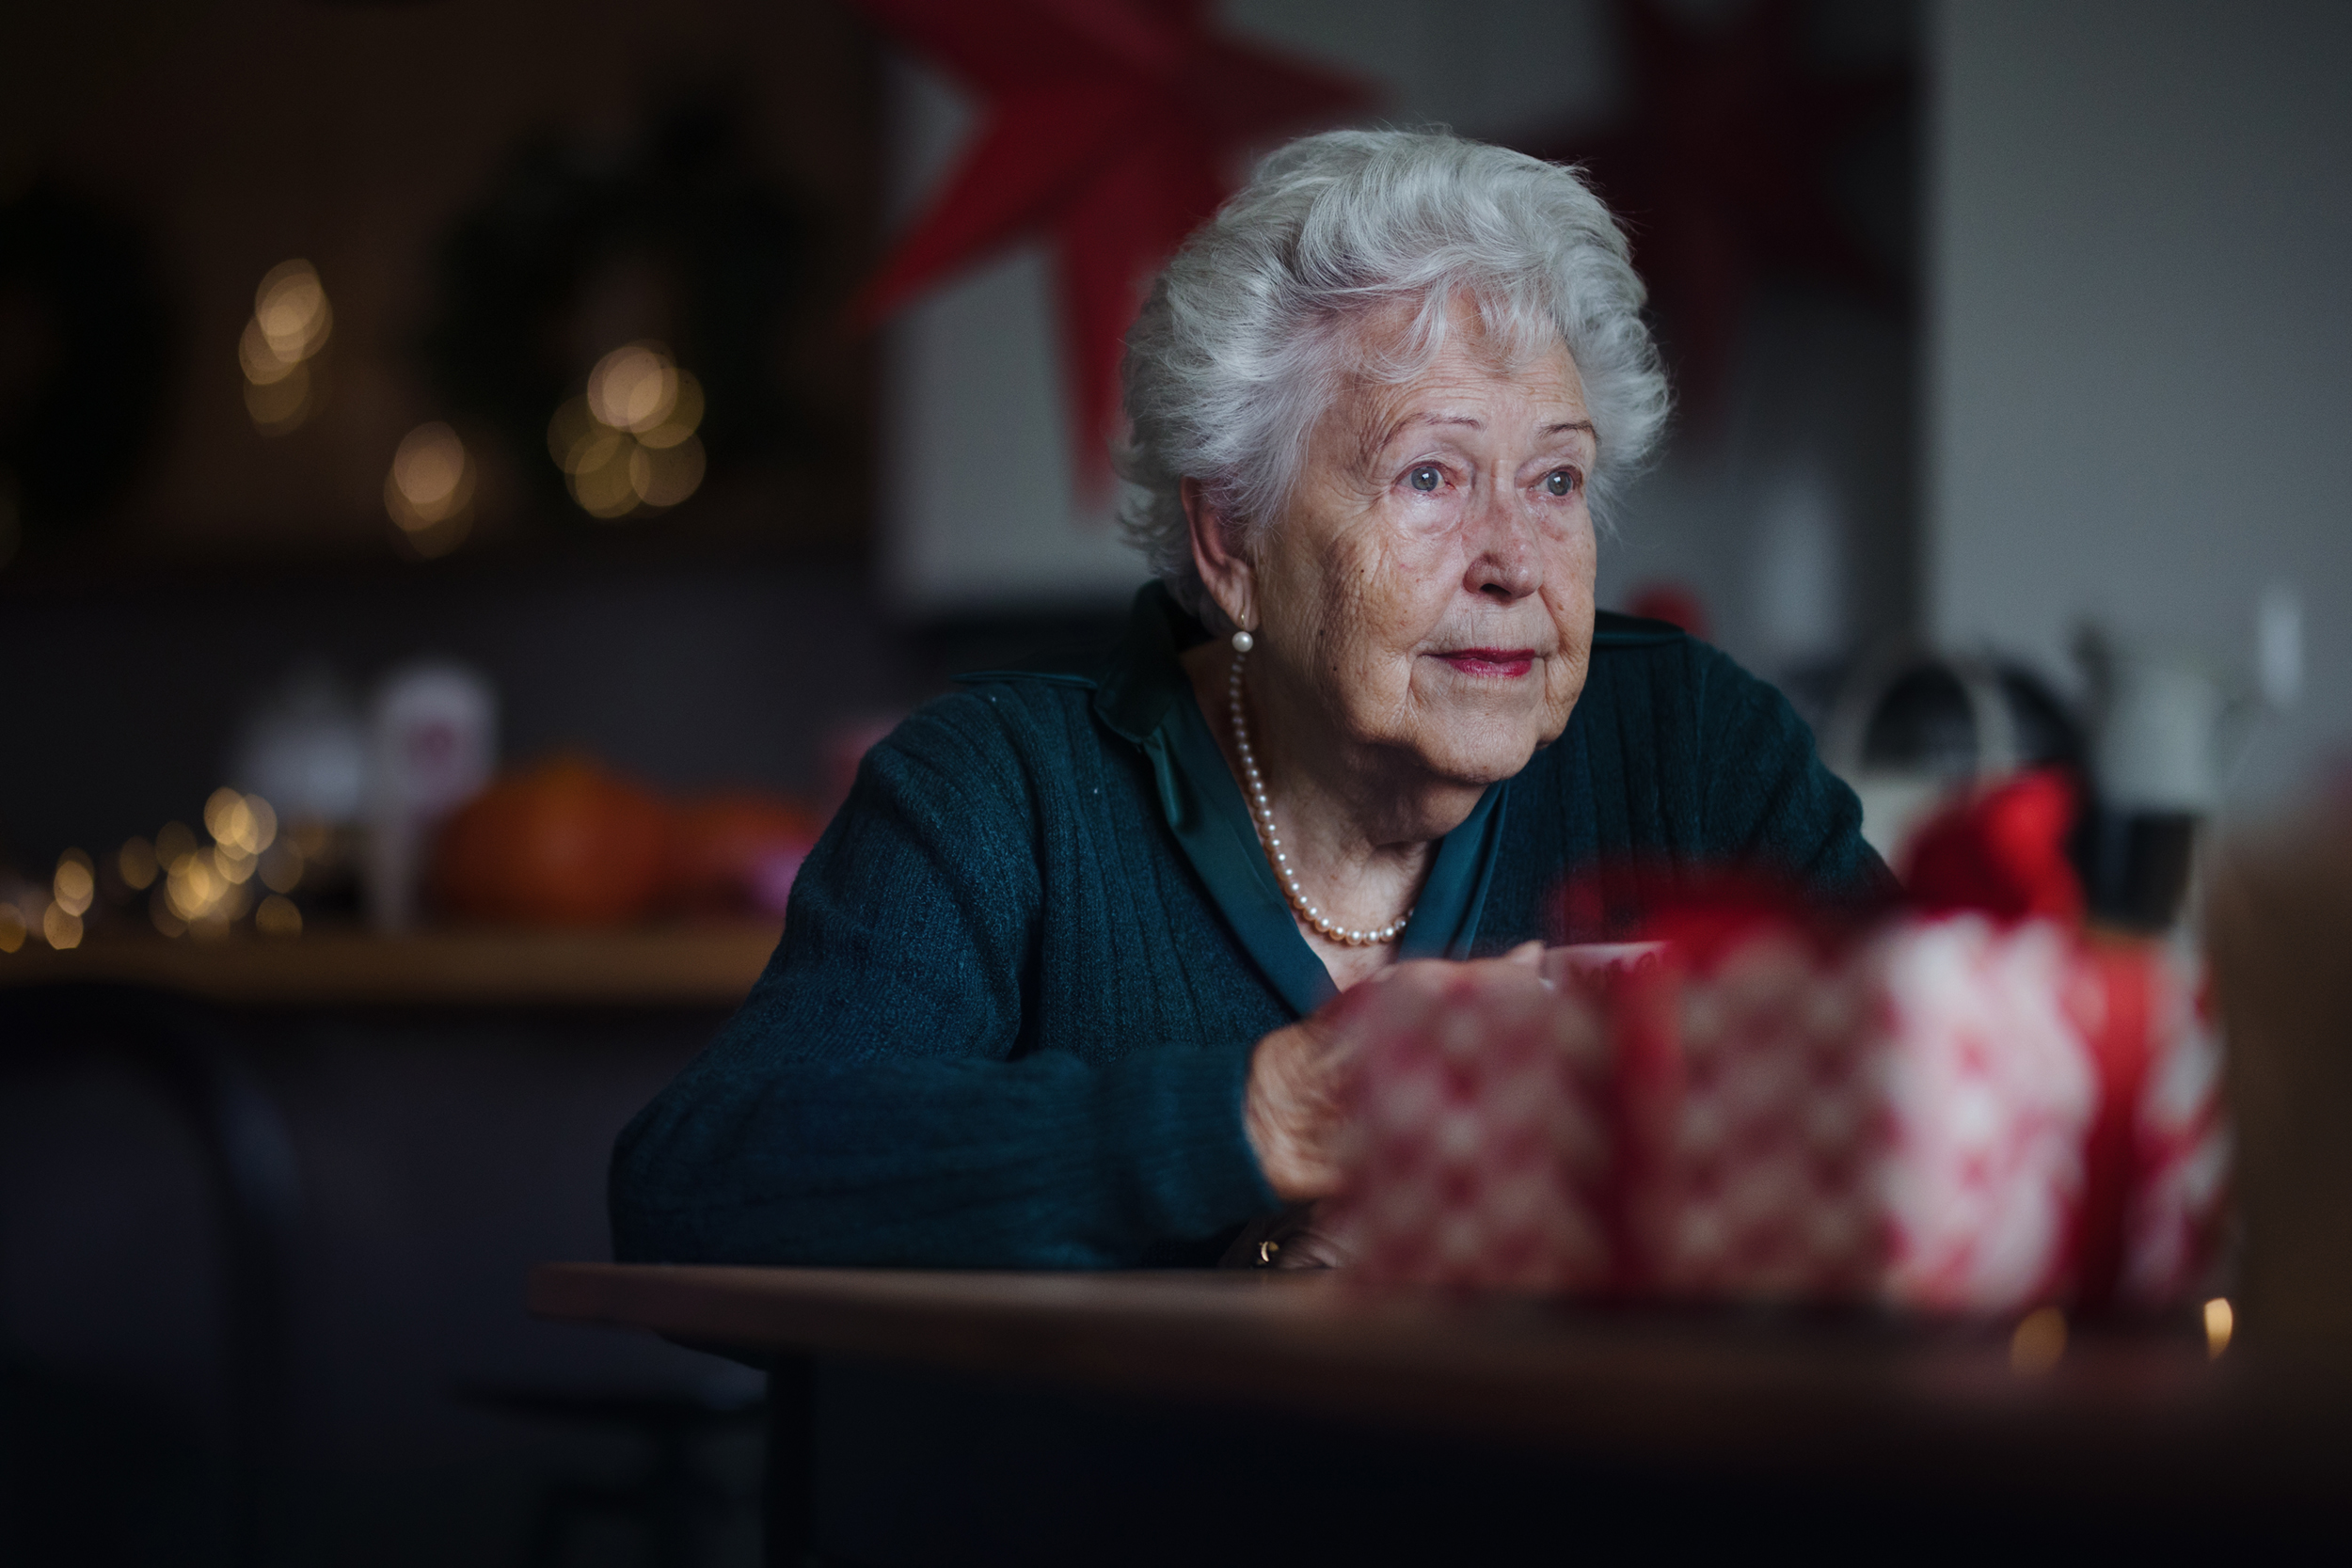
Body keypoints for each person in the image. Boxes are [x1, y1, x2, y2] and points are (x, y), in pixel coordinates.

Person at [610, 129, 1890, 1271]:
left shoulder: (1693, 749)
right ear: (1231, 540)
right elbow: (705, 1182)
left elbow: (1951, 1093)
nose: (1515, 562)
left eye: (1557, 483)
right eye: (1432, 476)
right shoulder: (1003, 792)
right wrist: (1273, 1118)